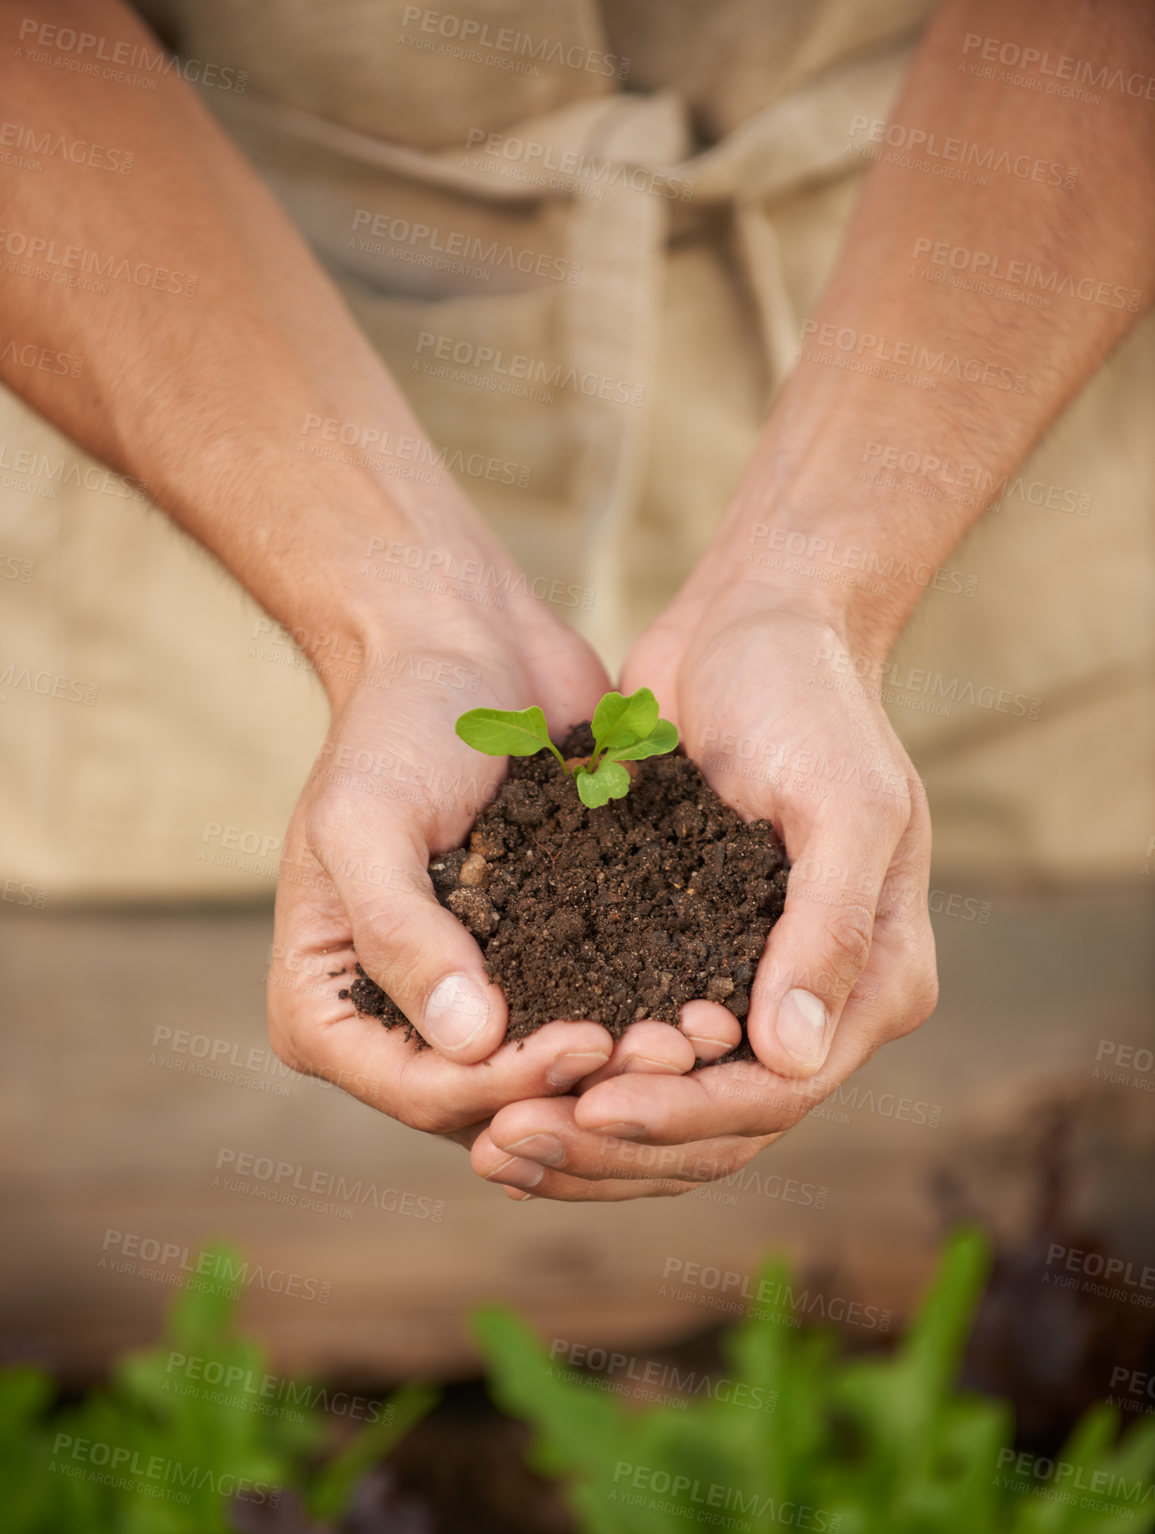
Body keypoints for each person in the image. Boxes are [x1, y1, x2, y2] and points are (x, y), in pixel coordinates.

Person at [1, 0, 1151, 1202]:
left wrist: (813, 598)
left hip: (980, 313)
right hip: (193, 313)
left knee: (982, 1038)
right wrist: (399, 626)